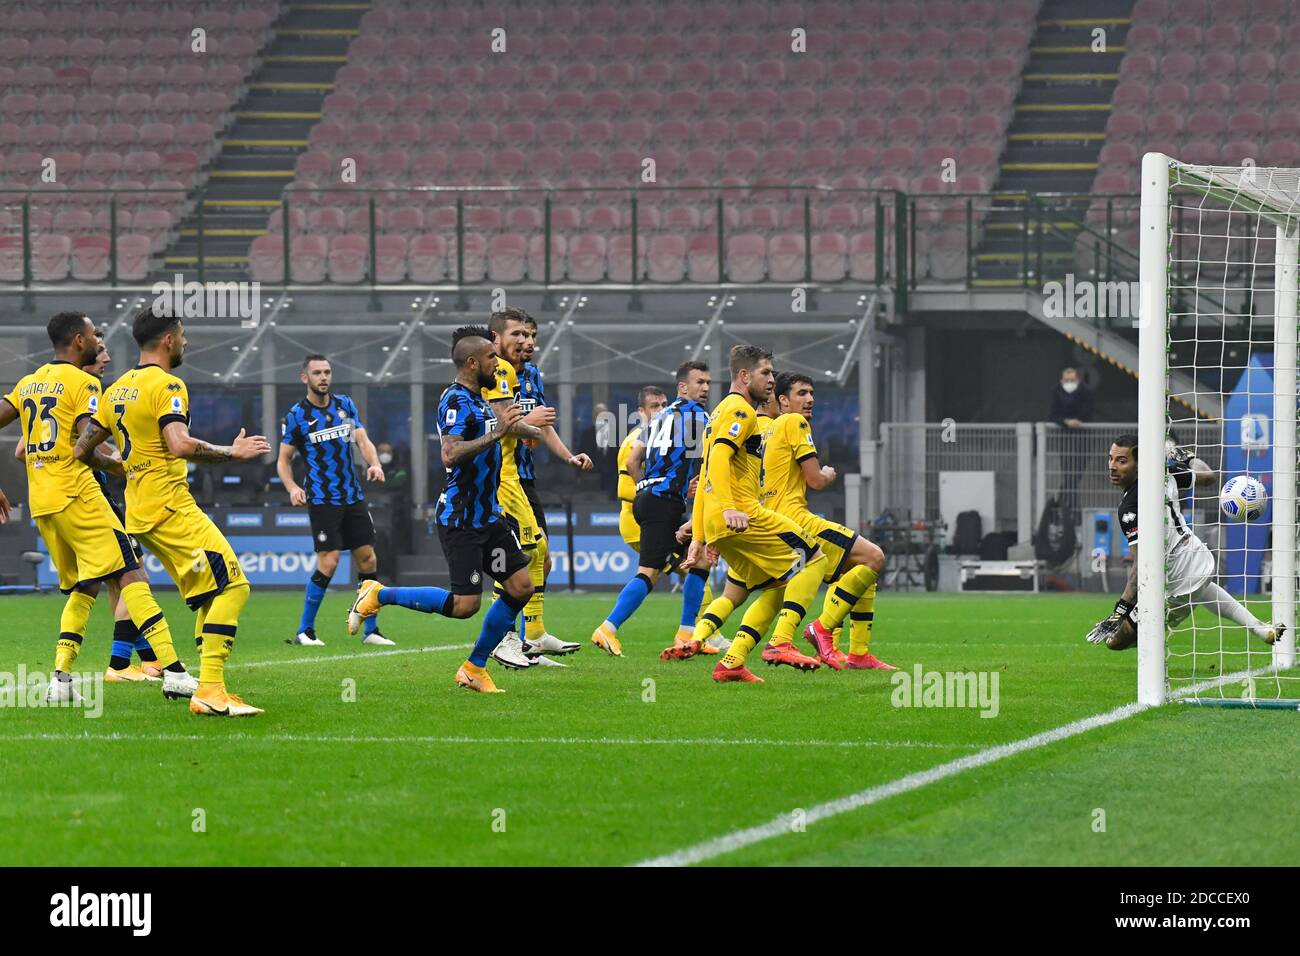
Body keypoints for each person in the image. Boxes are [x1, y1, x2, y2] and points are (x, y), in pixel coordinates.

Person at [75, 305, 271, 717]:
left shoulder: (117, 389)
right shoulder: (168, 385)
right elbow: (180, 444)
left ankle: (209, 688)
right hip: (171, 507)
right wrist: (232, 453)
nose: (185, 342)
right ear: (168, 339)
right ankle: (211, 691)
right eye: (182, 335)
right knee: (235, 586)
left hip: (140, 512)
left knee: (208, 596)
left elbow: (83, 450)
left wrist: (126, 467)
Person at [1, 312, 198, 705]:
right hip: (78, 493)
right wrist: (126, 466)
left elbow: (24, 446)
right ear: (78, 341)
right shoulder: (84, 382)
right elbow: (87, 446)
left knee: (86, 585)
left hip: (43, 501)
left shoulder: (28, 383)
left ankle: (61, 679)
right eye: (94, 336)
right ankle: (174, 671)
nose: (98, 344)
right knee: (132, 574)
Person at [346, 326, 535, 694]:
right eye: (491, 359)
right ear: (471, 362)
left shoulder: (480, 400)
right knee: (465, 606)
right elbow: (450, 453)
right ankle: (378, 593)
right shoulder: (454, 400)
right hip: (461, 518)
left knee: (520, 586)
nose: (497, 364)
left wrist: (531, 431)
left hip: (487, 516)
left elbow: (500, 431)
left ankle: (474, 668)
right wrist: (498, 433)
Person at [679, 345, 847, 683]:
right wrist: (729, 508)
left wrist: (699, 535)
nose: (772, 380)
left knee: (772, 584)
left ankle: (731, 662)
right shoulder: (740, 411)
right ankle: (781, 642)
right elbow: (721, 461)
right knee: (813, 558)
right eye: (766, 373)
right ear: (744, 376)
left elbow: (707, 473)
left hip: (721, 519)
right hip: (743, 514)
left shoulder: (720, 412)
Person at [1085, 434, 1284, 651]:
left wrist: (1120, 610)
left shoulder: (1129, 508)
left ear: (1139, 464)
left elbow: (1140, 567)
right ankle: (1260, 629)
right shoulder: (1163, 473)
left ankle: (1152, 668)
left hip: (1176, 578)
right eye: (1111, 459)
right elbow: (1208, 476)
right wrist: (1187, 458)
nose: (1112, 466)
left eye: (1121, 461)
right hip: (1196, 554)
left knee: (1115, 641)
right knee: (1203, 588)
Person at [764, 372, 896, 670]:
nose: (809, 399)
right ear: (783, 400)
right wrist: (828, 473)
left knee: (859, 572)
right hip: (796, 520)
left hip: (773, 522)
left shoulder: (770, 429)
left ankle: (858, 654)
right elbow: (816, 480)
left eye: (811, 393)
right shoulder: (795, 423)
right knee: (875, 557)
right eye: (801, 393)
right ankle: (821, 629)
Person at [590, 361, 712, 657]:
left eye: (708, 382)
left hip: (649, 499)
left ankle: (687, 633)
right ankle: (607, 629)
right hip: (663, 503)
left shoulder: (659, 419)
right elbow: (712, 460)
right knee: (649, 573)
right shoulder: (700, 416)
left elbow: (633, 462)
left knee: (701, 561)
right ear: (683, 387)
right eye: (700, 382)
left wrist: (648, 484)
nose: (706, 388)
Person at [278, 353, 391, 647]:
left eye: (327, 372)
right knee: (328, 562)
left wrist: (374, 463)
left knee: (367, 558)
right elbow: (283, 460)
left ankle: (371, 631)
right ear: (305, 378)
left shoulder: (345, 405)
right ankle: (305, 631)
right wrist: (291, 487)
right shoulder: (297, 416)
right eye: (317, 373)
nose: (323, 377)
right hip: (322, 499)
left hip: (352, 496)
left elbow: (363, 441)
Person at [499, 310, 593, 658]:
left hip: (524, 478)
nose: (527, 341)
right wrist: (526, 422)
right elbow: (487, 427)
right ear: (498, 338)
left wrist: (568, 456)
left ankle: (533, 637)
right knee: (515, 558)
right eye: (519, 334)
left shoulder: (532, 376)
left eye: (531, 335)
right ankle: (505, 638)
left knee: (544, 558)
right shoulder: (489, 376)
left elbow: (544, 426)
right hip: (496, 480)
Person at [1050, 367, 1094, 520]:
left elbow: (1089, 410)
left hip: (1083, 438)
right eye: (1066, 380)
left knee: (1074, 475)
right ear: (1062, 380)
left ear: (1078, 380)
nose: (1069, 383)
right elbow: (1052, 414)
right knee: (1069, 475)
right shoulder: (1056, 392)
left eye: (1072, 380)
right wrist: (1066, 421)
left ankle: (1059, 505)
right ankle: (1074, 513)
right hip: (1066, 439)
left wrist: (1078, 420)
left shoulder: (1086, 392)